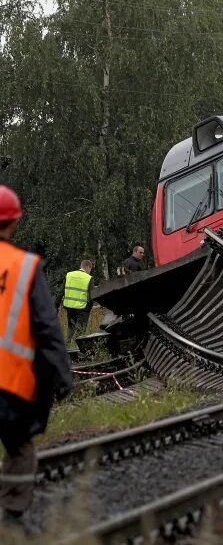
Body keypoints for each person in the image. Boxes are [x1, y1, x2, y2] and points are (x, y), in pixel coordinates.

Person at [0, 186, 73, 524]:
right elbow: (47, 328)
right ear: (14, 222)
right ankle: (12, 514)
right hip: (11, 382)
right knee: (19, 446)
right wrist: (61, 374)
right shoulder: (24, 267)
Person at [62, 260, 93, 341]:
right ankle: (79, 349)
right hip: (82, 308)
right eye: (90, 269)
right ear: (88, 267)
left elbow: (62, 290)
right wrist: (89, 308)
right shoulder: (88, 278)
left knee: (70, 326)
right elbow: (91, 296)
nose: (90, 271)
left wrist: (57, 303)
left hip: (70, 307)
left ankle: (67, 345)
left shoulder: (69, 275)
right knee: (81, 330)